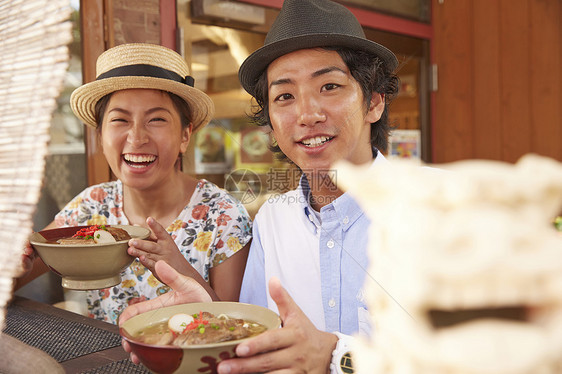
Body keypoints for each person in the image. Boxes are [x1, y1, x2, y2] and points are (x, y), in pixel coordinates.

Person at [122, 0, 400, 372]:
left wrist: (335, 357)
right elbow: (256, 339)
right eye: (284, 96)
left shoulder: (445, 210)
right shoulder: (272, 219)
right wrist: (205, 311)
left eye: (329, 86)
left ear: (375, 103)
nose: (307, 115)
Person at [16, 43, 252, 324]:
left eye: (156, 119)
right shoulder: (92, 205)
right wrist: (16, 263)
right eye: (119, 120)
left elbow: (238, 326)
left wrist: (180, 269)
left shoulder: (223, 215)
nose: (136, 138)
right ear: (100, 136)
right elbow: (19, 272)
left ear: (185, 136)